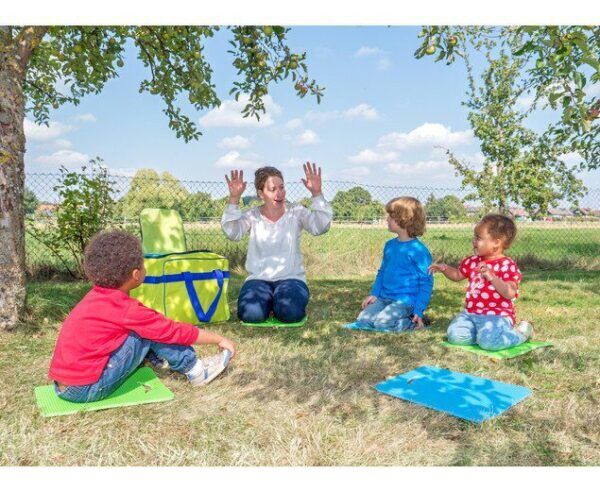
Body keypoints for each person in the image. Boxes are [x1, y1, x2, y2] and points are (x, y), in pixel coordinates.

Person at [48, 230, 237, 403]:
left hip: (63, 387)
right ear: (136, 274)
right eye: (143, 263)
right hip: (86, 389)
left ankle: (158, 358)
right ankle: (196, 370)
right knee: (150, 331)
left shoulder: (95, 297)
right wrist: (219, 339)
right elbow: (173, 331)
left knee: (142, 329)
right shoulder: (125, 309)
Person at [221, 163, 332, 323]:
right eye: (272, 189)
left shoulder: (296, 212)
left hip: (292, 279)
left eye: (281, 187)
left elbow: (321, 227)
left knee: (290, 312)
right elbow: (232, 232)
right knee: (251, 314)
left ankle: (279, 303)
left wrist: (316, 193)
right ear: (261, 193)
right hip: (258, 280)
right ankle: (269, 303)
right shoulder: (252, 216)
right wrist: (234, 199)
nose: (279, 193)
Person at [429, 214, 531, 350]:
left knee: (490, 343)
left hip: (497, 316)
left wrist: (492, 277)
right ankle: (482, 336)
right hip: (471, 314)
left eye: (478, 238)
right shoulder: (472, 261)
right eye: (474, 237)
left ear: (496, 242)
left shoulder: (507, 265)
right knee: (454, 336)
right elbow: (457, 275)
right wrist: (445, 269)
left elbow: (510, 293)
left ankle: (521, 334)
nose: (474, 241)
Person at [355, 197, 433, 331]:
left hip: (406, 302)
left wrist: (419, 310)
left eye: (391, 216)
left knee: (382, 323)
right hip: (384, 298)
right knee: (363, 320)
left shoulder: (419, 251)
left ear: (405, 219)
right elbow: (382, 272)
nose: (387, 219)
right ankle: (393, 319)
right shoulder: (389, 245)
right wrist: (374, 294)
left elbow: (426, 283)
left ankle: (415, 322)